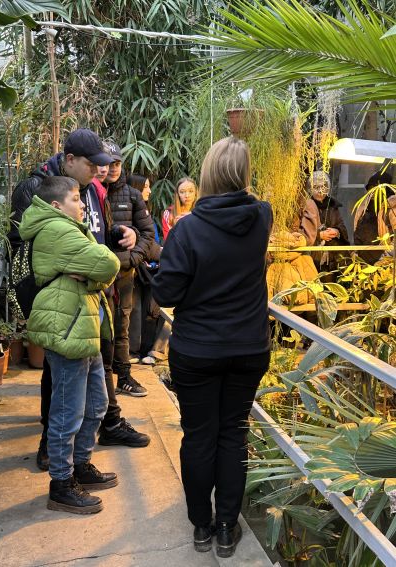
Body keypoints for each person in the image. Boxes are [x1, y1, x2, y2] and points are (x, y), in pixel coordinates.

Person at [152, 137, 272, 558]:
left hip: (199, 350)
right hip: (248, 346)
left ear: (205, 175)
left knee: (199, 437)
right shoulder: (262, 217)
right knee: (233, 436)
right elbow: (250, 210)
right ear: (243, 175)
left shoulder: (187, 229)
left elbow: (166, 291)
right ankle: (226, 529)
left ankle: (202, 527)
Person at [9, 129, 149, 470]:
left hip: (92, 294)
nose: (98, 170)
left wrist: (120, 235)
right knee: (61, 384)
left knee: (94, 376)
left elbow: (97, 240)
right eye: (91, 164)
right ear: (69, 160)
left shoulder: (90, 190)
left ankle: (97, 438)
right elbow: (25, 249)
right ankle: (55, 454)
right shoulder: (38, 188)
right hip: (59, 301)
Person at [19, 176, 120, 514]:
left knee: (96, 405)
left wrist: (89, 275)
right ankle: (61, 484)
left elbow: (100, 267)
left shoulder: (68, 228)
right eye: (77, 199)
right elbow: (109, 262)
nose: (83, 205)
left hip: (81, 325)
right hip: (67, 328)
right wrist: (97, 272)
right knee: (67, 412)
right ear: (56, 206)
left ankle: (80, 466)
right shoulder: (56, 230)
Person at [102, 145, 155, 397]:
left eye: (117, 164)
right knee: (99, 328)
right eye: (108, 163)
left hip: (123, 274)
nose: (112, 168)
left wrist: (133, 258)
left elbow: (148, 234)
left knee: (121, 326)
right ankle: (100, 382)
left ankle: (124, 376)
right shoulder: (91, 192)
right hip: (96, 275)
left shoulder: (133, 196)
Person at [126, 173, 164, 364]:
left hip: (151, 266)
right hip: (136, 266)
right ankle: (131, 351)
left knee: (149, 310)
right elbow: (143, 240)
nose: (149, 190)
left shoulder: (146, 211)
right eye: (146, 186)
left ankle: (144, 350)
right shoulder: (130, 211)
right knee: (134, 308)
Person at [303, 171, 349, 274]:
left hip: (334, 257)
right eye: (316, 187)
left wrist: (337, 231)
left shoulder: (333, 205)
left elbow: (342, 226)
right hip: (312, 257)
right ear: (310, 188)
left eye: (323, 186)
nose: (320, 191)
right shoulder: (305, 205)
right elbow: (300, 232)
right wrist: (318, 235)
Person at [354, 170, 393, 264]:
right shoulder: (363, 207)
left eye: (375, 189)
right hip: (363, 262)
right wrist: (355, 253)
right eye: (370, 188)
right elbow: (356, 233)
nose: (372, 192)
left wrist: (385, 259)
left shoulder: (392, 207)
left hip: (385, 264)